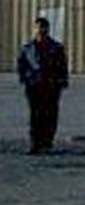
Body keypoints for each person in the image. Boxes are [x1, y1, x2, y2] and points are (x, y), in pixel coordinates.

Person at [17, 17, 69, 154]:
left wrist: (62, 82)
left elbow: (62, 66)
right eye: (38, 28)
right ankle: (35, 143)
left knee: (50, 115)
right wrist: (25, 79)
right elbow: (22, 65)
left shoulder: (56, 48)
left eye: (43, 28)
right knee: (35, 115)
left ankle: (47, 142)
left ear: (48, 29)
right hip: (34, 86)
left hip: (51, 86)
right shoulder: (27, 48)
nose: (40, 31)